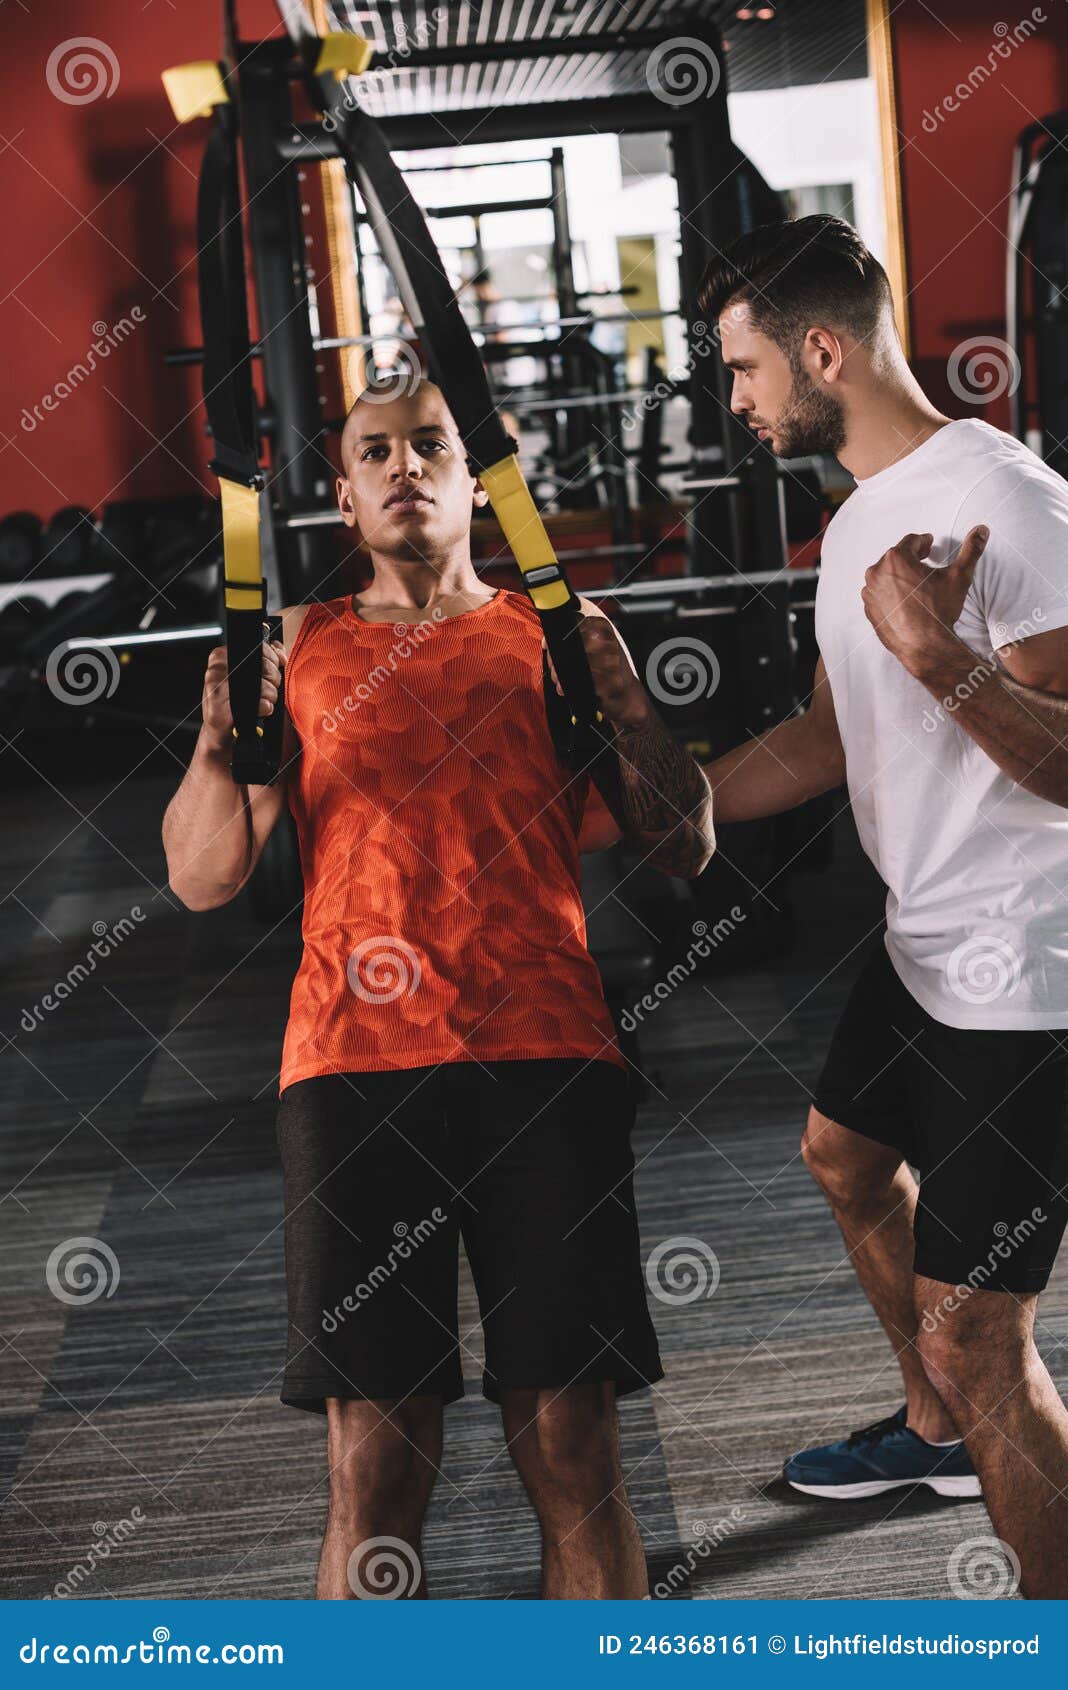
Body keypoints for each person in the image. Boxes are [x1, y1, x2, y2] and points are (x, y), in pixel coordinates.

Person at [162, 378, 714, 1599]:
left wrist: (629, 707)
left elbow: (686, 844)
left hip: (547, 1062)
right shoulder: (296, 648)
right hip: (355, 1076)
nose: (406, 464)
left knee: (574, 1445)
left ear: (478, 484)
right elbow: (204, 880)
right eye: (376, 452)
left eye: (432, 446)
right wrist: (214, 745)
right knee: (378, 1460)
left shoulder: (554, 637)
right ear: (349, 497)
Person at [696, 215, 1068, 1599]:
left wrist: (939, 657)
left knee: (983, 1335)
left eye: (743, 370)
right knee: (845, 1155)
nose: (735, 403)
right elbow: (828, 736)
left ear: (820, 350)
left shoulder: (1010, 505)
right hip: (927, 949)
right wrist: (670, 802)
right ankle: (937, 1434)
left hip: (1031, 975)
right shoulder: (858, 509)